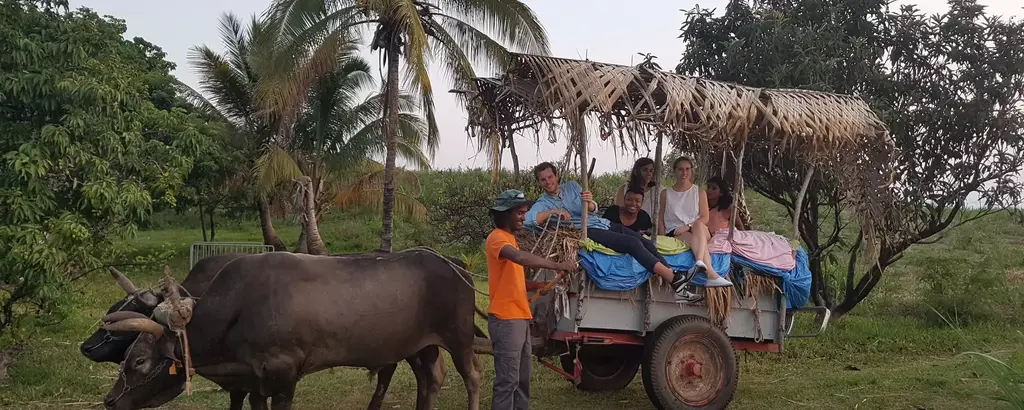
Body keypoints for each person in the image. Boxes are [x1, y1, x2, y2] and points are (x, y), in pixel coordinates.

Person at [524, 162, 701, 302]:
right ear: (539, 183)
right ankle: (675, 279)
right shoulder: (543, 203)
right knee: (632, 244)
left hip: (603, 222)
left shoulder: (571, 186)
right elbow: (528, 219)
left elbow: (593, 209)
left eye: (550, 177)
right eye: (543, 180)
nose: (548, 182)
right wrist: (553, 213)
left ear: (556, 175)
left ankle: (678, 285)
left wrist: (590, 202)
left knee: (646, 242)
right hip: (587, 230)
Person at [485, 189, 576, 410]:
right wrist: (558, 265)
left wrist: (537, 286)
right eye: (520, 213)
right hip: (506, 319)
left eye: (525, 213)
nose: (524, 218)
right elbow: (520, 259)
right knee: (508, 381)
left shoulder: (510, 240)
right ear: (506, 213)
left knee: (523, 379)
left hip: (520, 317)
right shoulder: (497, 238)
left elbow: (513, 279)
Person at [658, 157, 733, 287]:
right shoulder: (666, 193)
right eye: (680, 169)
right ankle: (711, 274)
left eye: (687, 169)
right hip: (676, 231)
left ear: (691, 171)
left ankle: (699, 261)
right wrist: (662, 236)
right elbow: (660, 218)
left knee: (698, 224)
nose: (684, 173)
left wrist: (688, 226)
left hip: (698, 228)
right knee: (690, 238)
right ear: (675, 171)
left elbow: (705, 218)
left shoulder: (699, 192)